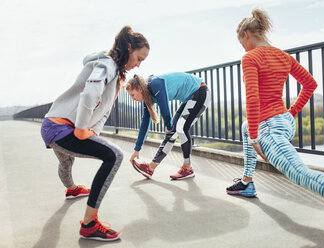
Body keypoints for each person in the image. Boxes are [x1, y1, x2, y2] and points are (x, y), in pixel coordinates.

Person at [225, 8, 324, 248]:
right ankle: (247, 182)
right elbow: (310, 84)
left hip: (268, 128)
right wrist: (291, 112)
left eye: (240, 41)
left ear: (245, 35)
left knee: (299, 173)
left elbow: (252, 100)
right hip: (283, 121)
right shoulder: (284, 56)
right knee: (245, 126)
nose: (241, 47)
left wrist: (255, 139)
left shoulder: (250, 58)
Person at [40, 26, 149, 241]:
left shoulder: (114, 72)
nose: (138, 64)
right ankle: (89, 224)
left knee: (66, 161)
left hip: (54, 126)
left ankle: (71, 189)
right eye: (139, 58)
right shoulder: (107, 64)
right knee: (115, 155)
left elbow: (101, 114)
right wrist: (81, 129)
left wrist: (90, 133)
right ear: (128, 47)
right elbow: (90, 93)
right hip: (63, 128)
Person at [126, 72, 211, 180]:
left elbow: (164, 106)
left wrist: (169, 126)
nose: (133, 99)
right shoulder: (147, 98)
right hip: (189, 98)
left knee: (181, 127)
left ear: (139, 89)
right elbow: (145, 123)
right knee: (171, 134)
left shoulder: (154, 83)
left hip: (200, 91)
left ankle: (187, 168)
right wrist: (136, 149)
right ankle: (150, 169)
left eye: (133, 95)